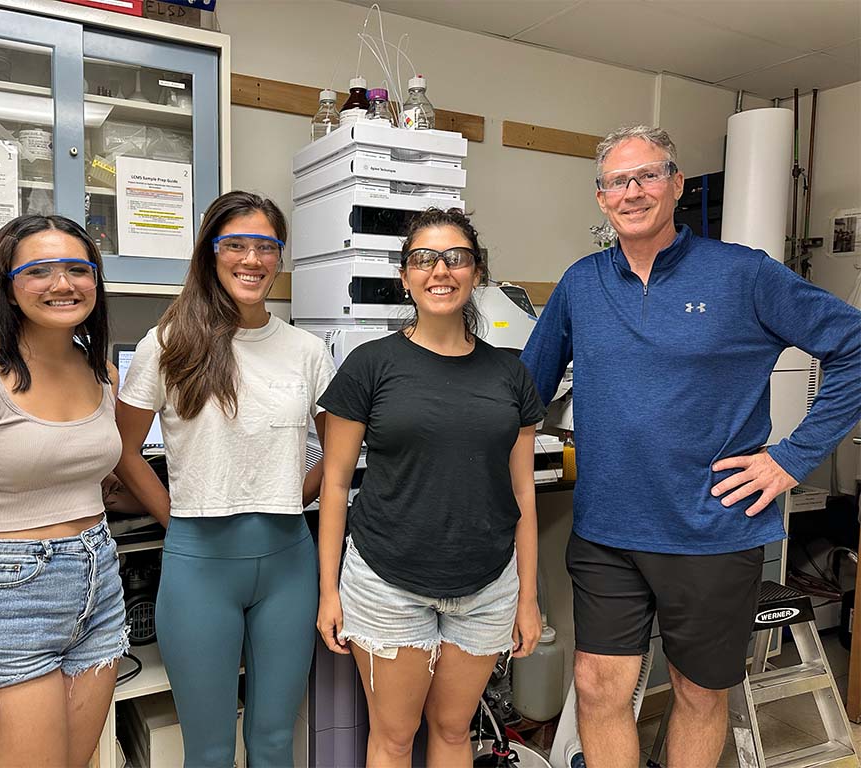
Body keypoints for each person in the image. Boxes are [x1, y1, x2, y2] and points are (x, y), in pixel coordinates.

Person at [521, 125, 861, 768]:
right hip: (606, 531)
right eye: (618, 181)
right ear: (600, 198)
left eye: (648, 174)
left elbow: (854, 347)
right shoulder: (581, 284)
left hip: (711, 529)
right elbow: (523, 391)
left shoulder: (743, 274)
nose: (633, 191)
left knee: (698, 695)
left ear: (676, 184)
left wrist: (792, 457)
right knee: (597, 687)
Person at [316, 207, 546, 767]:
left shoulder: (509, 373)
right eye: (423, 258)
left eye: (456, 258)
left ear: (477, 273)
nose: (439, 270)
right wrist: (328, 591)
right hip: (388, 580)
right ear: (405, 276)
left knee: (452, 731)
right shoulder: (371, 365)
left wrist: (529, 597)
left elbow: (523, 494)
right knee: (393, 738)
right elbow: (336, 482)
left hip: (488, 584)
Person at [113, 191, 335, 768]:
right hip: (198, 569)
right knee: (209, 751)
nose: (252, 259)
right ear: (210, 253)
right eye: (235, 244)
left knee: (273, 743)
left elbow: (338, 452)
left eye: (266, 246)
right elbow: (122, 451)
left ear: (279, 257)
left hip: (289, 564)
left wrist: (293, 494)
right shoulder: (167, 345)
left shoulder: (307, 350)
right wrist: (174, 516)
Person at [0, 215, 127, 767]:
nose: (63, 284)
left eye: (78, 269)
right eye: (39, 271)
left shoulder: (101, 372)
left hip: (98, 582)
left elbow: (85, 478)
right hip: (10, 593)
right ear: (8, 286)